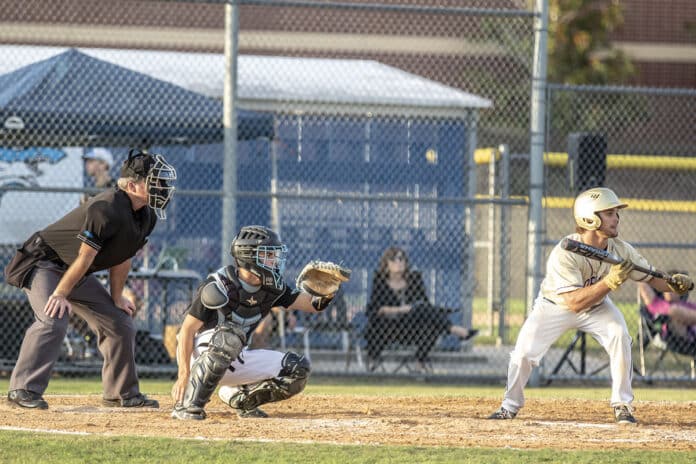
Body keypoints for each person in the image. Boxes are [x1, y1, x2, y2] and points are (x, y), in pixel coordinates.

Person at [487, 187, 692, 424]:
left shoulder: (621, 249)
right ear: (589, 217)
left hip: (596, 306)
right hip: (556, 305)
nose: (616, 218)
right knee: (524, 353)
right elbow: (574, 302)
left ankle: (622, 404)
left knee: (619, 335)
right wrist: (610, 281)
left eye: (616, 213)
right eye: (609, 213)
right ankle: (509, 406)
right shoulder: (565, 251)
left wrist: (673, 284)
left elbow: (650, 277)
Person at [4, 149, 177, 409]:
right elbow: (84, 258)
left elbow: (123, 257)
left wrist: (117, 297)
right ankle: (22, 390)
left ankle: (121, 394)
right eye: (155, 181)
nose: (162, 187)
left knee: (119, 322)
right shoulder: (105, 208)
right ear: (132, 185)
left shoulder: (146, 215)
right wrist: (60, 294)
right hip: (43, 262)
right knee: (53, 319)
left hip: (74, 269)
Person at [171, 225, 349, 420]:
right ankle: (188, 404)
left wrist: (328, 291)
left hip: (237, 354)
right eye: (268, 255)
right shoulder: (219, 285)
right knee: (229, 337)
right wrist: (183, 375)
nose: (275, 261)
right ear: (249, 256)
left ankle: (240, 398)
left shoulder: (272, 287)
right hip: (199, 356)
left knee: (298, 369)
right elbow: (186, 331)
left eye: (274, 255)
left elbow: (311, 305)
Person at [364, 246, 478, 373]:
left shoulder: (414, 279)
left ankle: (419, 362)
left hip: (411, 327)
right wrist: (401, 310)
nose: (399, 262)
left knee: (426, 316)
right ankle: (456, 330)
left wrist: (412, 309)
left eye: (401, 259)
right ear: (386, 264)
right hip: (388, 328)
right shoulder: (379, 282)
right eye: (394, 259)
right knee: (420, 307)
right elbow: (376, 310)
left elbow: (424, 305)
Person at [638, 274, 696, 349]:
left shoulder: (688, 305)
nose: (670, 291)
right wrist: (638, 272)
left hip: (693, 332)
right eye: (668, 287)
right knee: (674, 310)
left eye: (675, 288)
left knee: (675, 309)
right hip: (676, 336)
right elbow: (643, 286)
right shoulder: (656, 303)